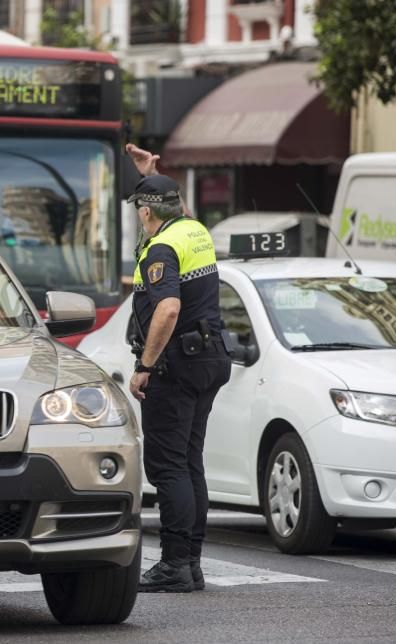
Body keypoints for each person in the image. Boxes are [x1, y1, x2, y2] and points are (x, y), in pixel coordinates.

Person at [125, 169, 232, 593]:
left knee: (168, 467)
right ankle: (191, 563)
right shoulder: (194, 231)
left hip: (175, 366)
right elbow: (171, 199)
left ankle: (174, 564)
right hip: (209, 357)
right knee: (189, 462)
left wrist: (145, 366)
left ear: (147, 211)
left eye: (139, 208)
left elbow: (167, 308)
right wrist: (150, 170)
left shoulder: (160, 248)